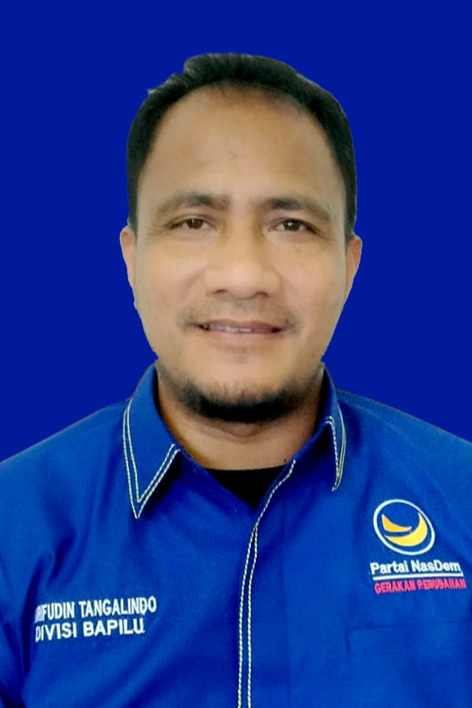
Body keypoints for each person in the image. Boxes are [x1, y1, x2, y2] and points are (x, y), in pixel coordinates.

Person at [1, 53, 471, 707]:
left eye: (291, 225)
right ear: (132, 259)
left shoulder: (460, 499)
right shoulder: (14, 526)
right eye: (194, 223)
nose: (244, 275)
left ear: (349, 264)